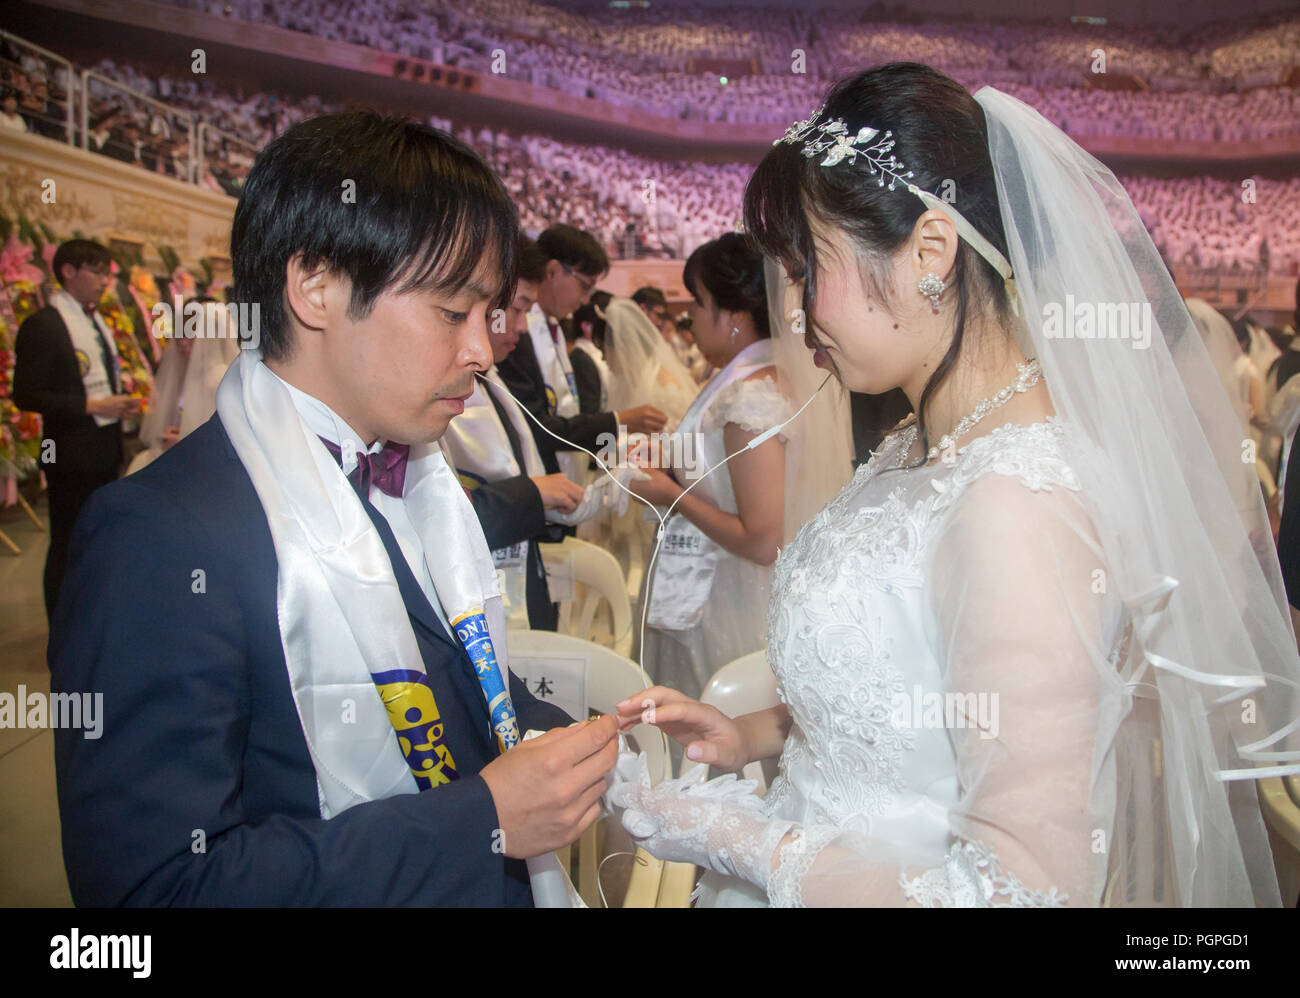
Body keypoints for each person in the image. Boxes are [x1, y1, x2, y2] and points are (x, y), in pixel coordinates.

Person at [610, 63, 1300, 907]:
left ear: (930, 253)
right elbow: (914, 704)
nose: (795, 316)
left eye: (808, 267)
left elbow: (1013, 891)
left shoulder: (1016, 509)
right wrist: (752, 732)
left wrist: (741, 837)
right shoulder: (923, 443)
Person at [50, 110, 619, 906]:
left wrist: (597, 740)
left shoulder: (412, 477)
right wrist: (482, 820)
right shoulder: (159, 535)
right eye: (452, 313)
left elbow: (453, 689)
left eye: (486, 316)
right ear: (315, 286)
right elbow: (151, 890)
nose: (482, 353)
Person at [632, 234, 794, 700]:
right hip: (717, 581)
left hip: (731, 593)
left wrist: (670, 494)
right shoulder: (751, 378)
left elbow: (764, 540)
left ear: (735, 317)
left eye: (699, 304)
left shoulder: (749, 397)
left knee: (717, 715)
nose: (692, 319)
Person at [442, 235, 586, 631]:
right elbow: (440, 516)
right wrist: (534, 494)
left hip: (520, 559)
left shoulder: (492, 378)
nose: (520, 328)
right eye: (517, 309)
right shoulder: (434, 390)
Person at [12, 238, 139, 618]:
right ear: (68, 271)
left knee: (97, 540)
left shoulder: (94, 321)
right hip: (68, 452)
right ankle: (63, 628)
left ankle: (91, 618)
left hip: (103, 447)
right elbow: (27, 394)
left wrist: (117, 402)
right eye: (97, 272)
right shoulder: (44, 325)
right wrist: (91, 405)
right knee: (68, 541)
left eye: (107, 274)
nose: (105, 282)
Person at [496, 224, 665, 479]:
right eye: (585, 286)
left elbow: (566, 408)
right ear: (552, 271)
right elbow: (534, 427)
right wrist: (618, 420)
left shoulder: (553, 328)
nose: (585, 299)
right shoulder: (515, 334)